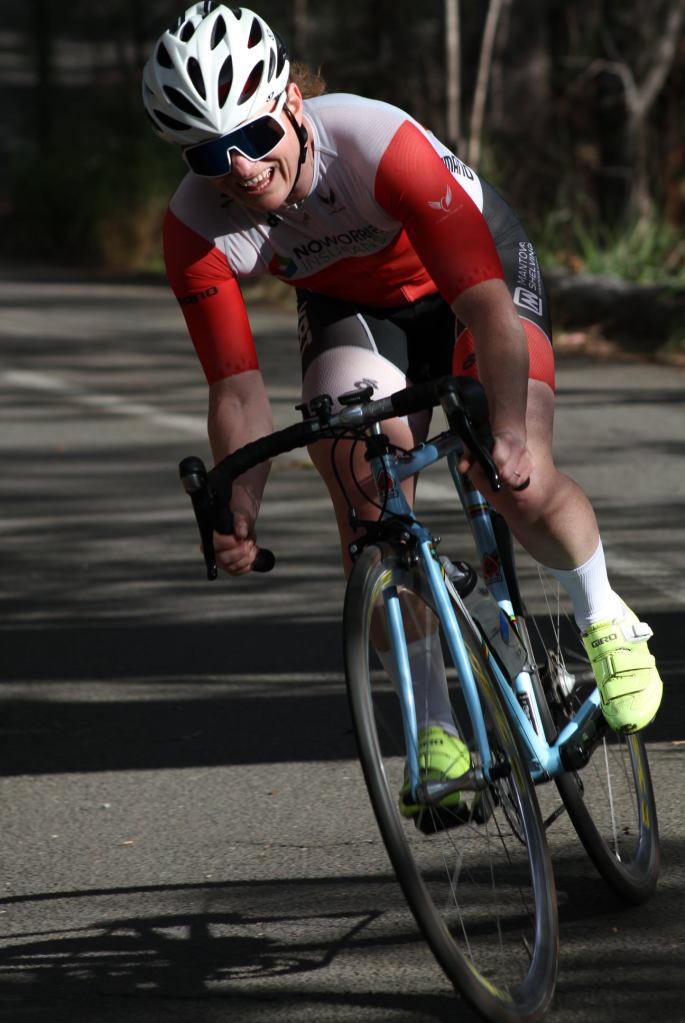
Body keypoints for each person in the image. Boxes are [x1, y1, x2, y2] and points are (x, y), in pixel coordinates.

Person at [142, 3, 662, 805]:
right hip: (358, 311)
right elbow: (236, 386)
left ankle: (605, 619)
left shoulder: (372, 141)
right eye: (210, 153)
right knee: (363, 497)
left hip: (475, 281)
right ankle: (435, 728)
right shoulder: (193, 227)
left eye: (253, 135)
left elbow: (485, 307)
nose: (239, 168)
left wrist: (508, 431)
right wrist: (238, 503)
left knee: (514, 475)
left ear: (290, 102)